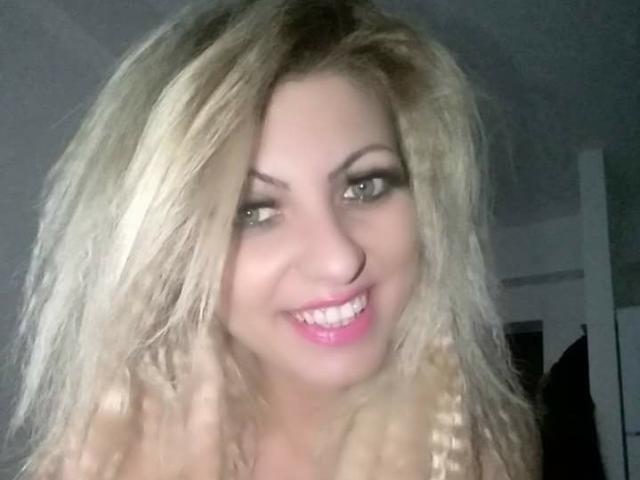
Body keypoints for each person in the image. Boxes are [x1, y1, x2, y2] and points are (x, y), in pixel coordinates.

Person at [9, 1, 540, 478]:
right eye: (253, 211)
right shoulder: (98, 466)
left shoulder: (484, 452)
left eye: (365, 185)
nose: (338, 260)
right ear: (170, 251)